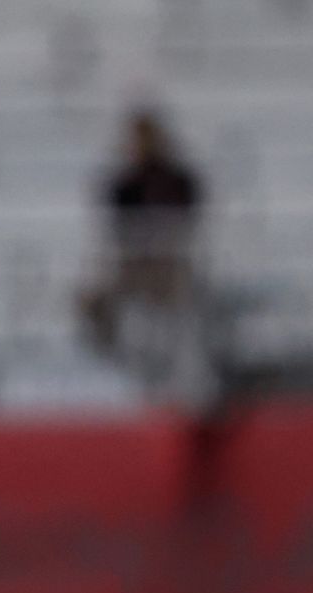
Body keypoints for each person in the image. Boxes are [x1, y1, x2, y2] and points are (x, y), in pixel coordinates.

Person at [76, 108, 210, 410]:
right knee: (94, 301)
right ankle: (114, 367)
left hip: (169, 267)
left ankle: (174, 381)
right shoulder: (125, 183)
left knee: (173, 314)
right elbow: (114, 232)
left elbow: (189, 224)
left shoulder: (177, 179)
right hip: (133, 266)